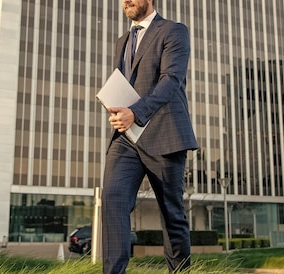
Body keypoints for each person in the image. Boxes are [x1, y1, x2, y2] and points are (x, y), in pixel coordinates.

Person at [102, 0, 198, 273]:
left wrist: (135, 112)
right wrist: (116, 106)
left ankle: (179, 271)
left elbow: (171, 80)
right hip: (126, 139)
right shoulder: (122, 41)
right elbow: (124, 83)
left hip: (165, 134)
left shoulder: (174, 31)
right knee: (113, 199)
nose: (126, 1)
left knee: (172, 216)